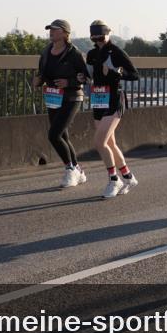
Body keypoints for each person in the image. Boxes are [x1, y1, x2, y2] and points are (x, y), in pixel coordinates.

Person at [85, 21, 140, 198]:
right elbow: (90, 76)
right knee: (109, 143)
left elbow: (134, 75)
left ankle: (113, 179)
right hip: (98, 98)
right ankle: (128, 177)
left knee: (99, 142)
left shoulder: (116, 52)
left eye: (101, 34)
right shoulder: (92, 54)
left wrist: (116, 73)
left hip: (114, 99)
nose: (99, 38)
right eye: (95, 35)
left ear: (108, 33)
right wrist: (83, 77)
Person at [35, 19, 89, 188]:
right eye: (50, 29)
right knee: (63, 135)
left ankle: (70, 168)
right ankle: (78, 171)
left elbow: (86, 77)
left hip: (72, 97)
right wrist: (37, 80)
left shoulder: (74, 53)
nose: (51, 32)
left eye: (55, 29)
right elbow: (42, 74)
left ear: (65, 33)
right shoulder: (46, 52)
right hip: (53, 97)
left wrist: (69, 82)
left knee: (54, 135)